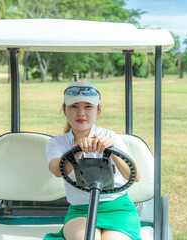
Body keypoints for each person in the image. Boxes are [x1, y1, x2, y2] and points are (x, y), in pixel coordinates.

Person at [44, 80, 142, 240]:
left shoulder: (110, 136)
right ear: (64, 110)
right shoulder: (57, 143)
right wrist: (77, 151)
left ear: (98, 110)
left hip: (118, 207)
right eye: (74, 106)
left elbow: (135, 175)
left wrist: (113, 151)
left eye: (88, 107)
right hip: (81, 210)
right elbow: (57, 170)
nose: (81, 113)